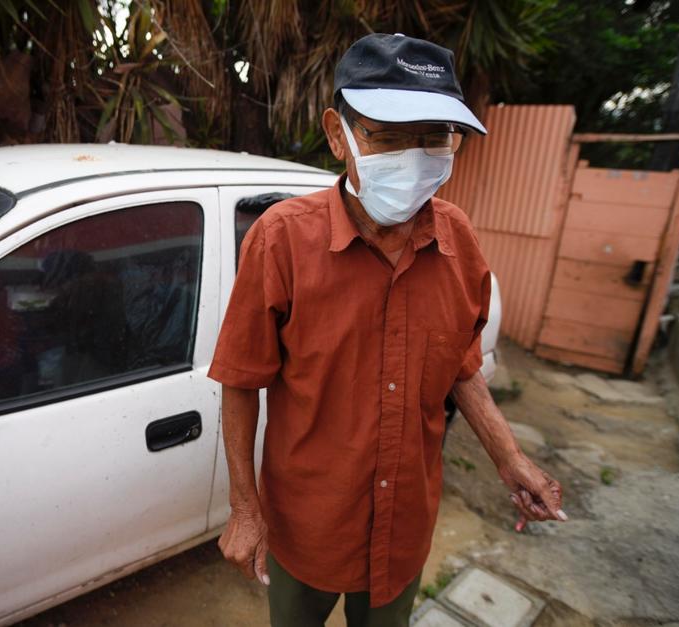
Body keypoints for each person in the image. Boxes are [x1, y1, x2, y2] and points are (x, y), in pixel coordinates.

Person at [207, 33, 567, 627]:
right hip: (308, 528)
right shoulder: (281, 240)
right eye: (392, 136)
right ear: (337, 133)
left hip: (405, 526)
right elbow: (241, 381)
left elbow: (460, 364)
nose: (417, 156)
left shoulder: (459, 242)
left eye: (435, 138)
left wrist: (510, 458)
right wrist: (245, 508)